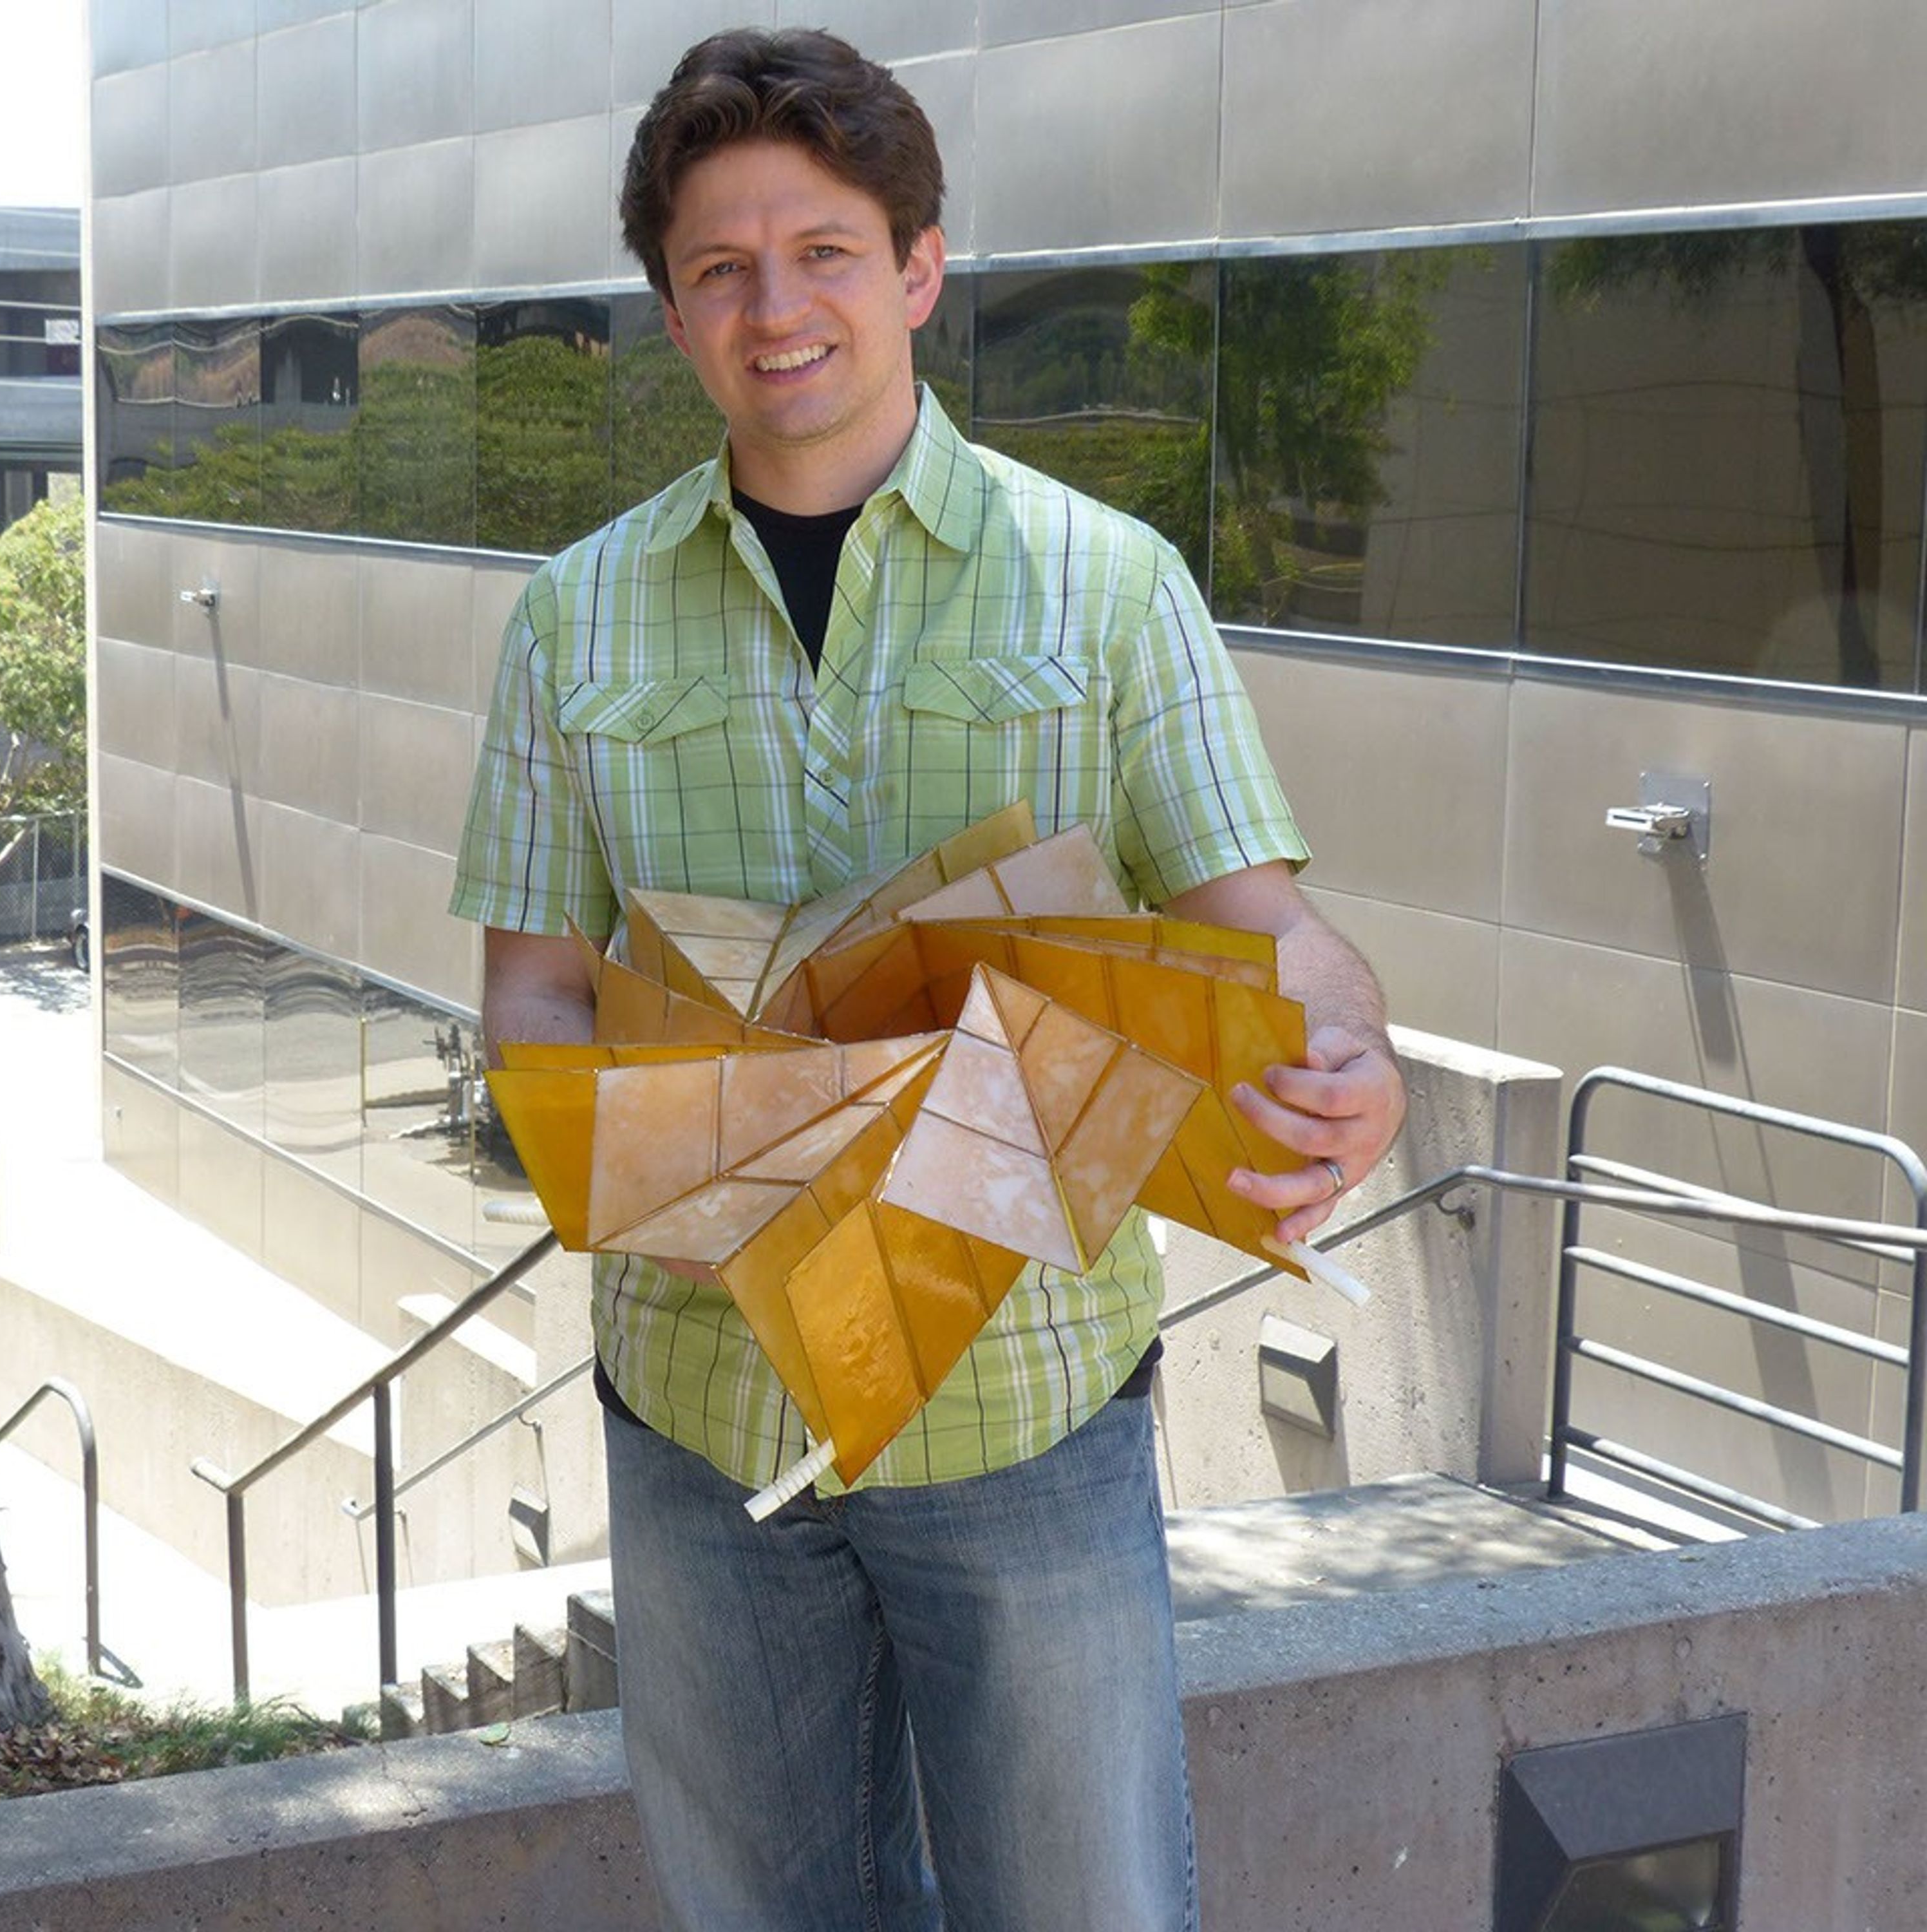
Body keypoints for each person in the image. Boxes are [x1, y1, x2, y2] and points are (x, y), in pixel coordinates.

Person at [449, 28, 1407, 1929]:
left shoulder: (1109, 585)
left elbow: (1266, 924)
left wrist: (1347, 1042)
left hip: (1025, 1419)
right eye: (721, 269)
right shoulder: (573, 620)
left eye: (823, 251)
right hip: (702, 1417)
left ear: (917, 270)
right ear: (673, 313)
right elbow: (535, 992)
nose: (775, 308)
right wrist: (639, 1168)